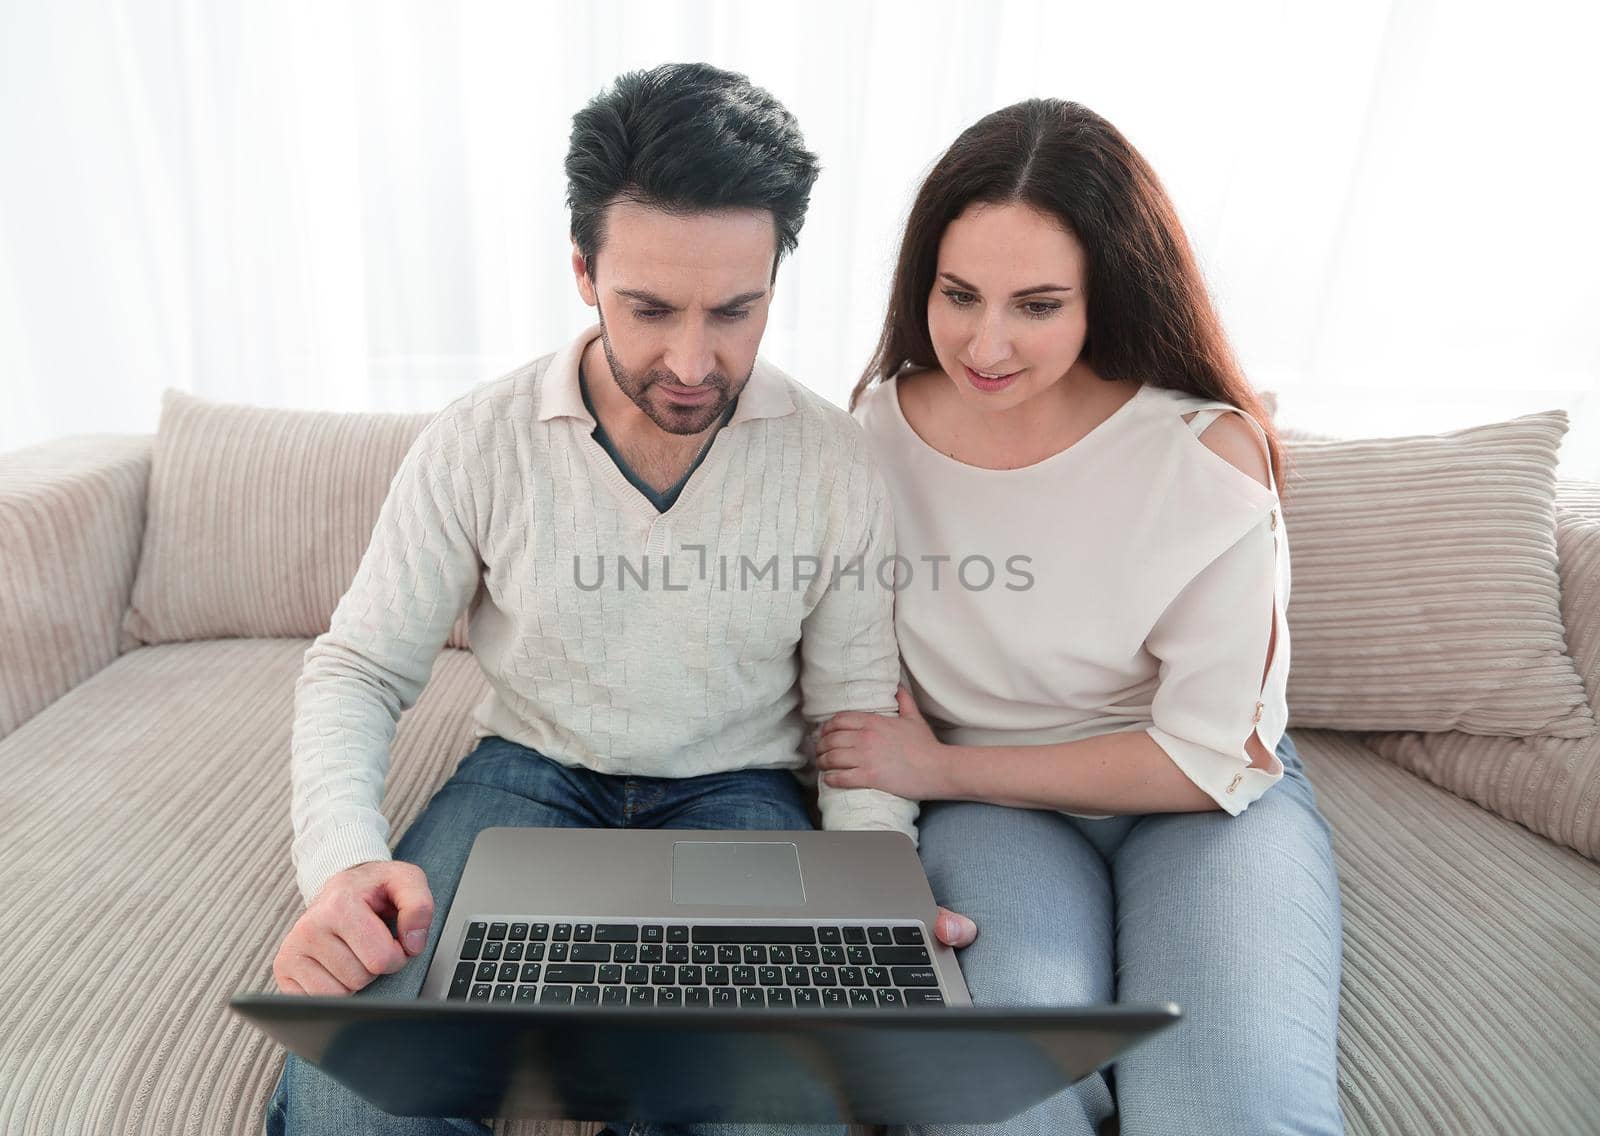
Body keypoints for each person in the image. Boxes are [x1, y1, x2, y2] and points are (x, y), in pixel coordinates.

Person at [265, 62, 974, 1136]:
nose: (693, 360)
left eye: (736, 310)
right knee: (348, 1094)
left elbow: (853, 713)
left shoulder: (833, 460)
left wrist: (875, 894)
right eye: (649, 308)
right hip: (529, 780)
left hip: (738, 797)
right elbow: (359, 667)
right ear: (583, 271)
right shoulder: (478, 441)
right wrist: (347, 862)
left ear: (778, 275)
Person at [819, 99, 1344, 1135]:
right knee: (1000, 1105)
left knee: (1229, 1111)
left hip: (1200, 809)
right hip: (997, 819)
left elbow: (1208, 758)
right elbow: (847, 669)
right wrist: (872, 839)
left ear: (1104, 292)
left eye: (1037, 304)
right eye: (958, 294)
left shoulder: (1202, 454)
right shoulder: (871, 432)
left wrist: (942, 769)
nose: (986, 342)